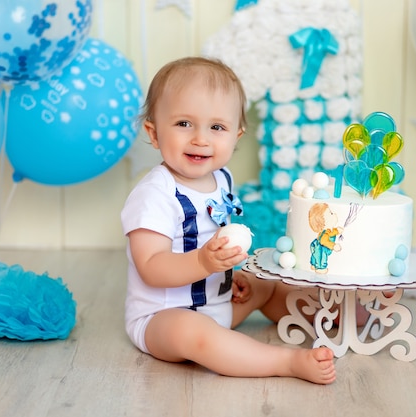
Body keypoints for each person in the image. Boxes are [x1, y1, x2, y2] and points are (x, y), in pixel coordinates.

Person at [120, 56, 336, 384]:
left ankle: (332, 320)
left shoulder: (222, 179)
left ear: (236, 136)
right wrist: (205, 262)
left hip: (218, 304)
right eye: (183, 124)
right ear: (153, 133)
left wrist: (228, 275)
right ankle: (286, 362)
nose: (200, 139)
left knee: (264, 285)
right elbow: (151, 267)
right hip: (163, 320)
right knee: (196, 334)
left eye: (216, 127)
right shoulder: (155, 194)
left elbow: (216, 239)